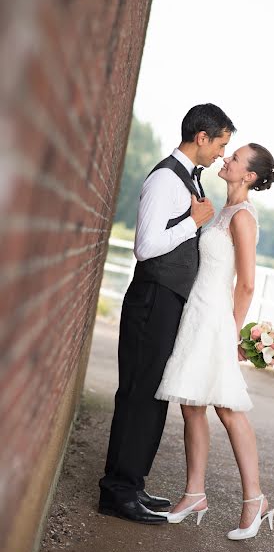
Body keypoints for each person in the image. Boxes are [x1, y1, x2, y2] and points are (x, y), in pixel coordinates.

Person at [98, 103, 236, 524]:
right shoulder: (164, 179)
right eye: (221, 144)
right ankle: (117, 493)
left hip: (167, 303)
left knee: (151, 398)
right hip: (152, 300)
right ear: (202, 137)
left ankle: (132, 486)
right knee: (138, 396)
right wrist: (193, 222)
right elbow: (145, 247)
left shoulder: (188, 179)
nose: (220, 154)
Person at [155, 143, 274, 539]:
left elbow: (245, 284)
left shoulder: (242, 217)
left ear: (249, 176)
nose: (226, 159)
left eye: (235, 158)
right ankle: (194, 494)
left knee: (227, 408)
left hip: (217, 322)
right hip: (198, 314)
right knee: (192, 405)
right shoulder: (221, 211)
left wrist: (232, 334)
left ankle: (255, 500)